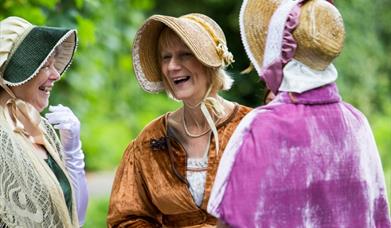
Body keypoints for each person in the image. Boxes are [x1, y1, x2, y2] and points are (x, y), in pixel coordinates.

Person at [208, 0, 391, 227]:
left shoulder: (260, 126)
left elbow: (230, 220)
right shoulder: (357, 124)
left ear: (279, 52)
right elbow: (379, 216)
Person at [107, 13, 251, 227]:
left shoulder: (251, 127)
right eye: (166, 57)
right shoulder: (151, 139)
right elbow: (126, 218)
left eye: (184, 55)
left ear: (209, 62)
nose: (172, 66)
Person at [0, 16, 88, 227]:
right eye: (44, 66)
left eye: (53, 65)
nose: (56, 75)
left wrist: (72, 153)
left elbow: (77, 215)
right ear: (14, 72)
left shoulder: (39, 129)